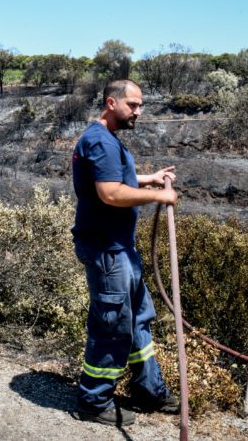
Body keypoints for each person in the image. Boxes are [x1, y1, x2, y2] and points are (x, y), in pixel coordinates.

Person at [71, 79, 180, 428]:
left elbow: (120, 178)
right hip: (107, 251)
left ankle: (149, 391)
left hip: (120, 248)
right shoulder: (100, 141)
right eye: (133, 105)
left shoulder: (106, 139)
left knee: (137, 321)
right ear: (111, 102)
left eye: (140, 105)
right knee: (112, 325)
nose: (139, 111)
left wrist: (148, 178)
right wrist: (159, 197)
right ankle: (93, 400)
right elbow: (111, 193)